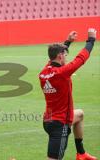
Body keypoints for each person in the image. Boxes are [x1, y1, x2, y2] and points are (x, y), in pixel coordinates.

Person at [39, 29, 98, 160]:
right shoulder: (62, 73)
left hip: (48, 119)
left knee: (79, 114)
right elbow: (81, 59)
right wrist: (91, 40)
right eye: (64, 54)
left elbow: (55, 58)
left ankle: (81, 153)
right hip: (59, 124)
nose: (66, 57)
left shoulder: (44, 72)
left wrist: (68, 42)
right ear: (60, 56)